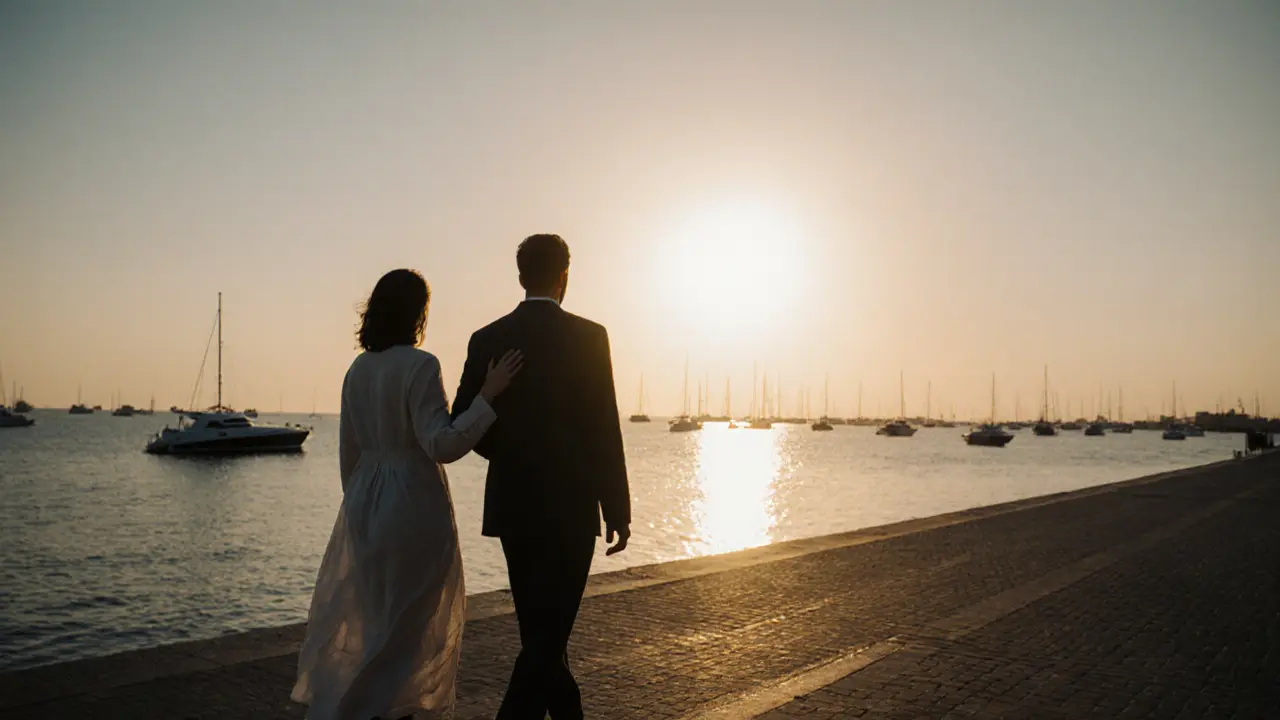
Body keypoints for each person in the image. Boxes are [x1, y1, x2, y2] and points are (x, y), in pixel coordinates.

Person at [292, 268, 522, 720]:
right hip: (413, 505)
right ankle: (372, 710)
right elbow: (442, 444)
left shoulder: (357, 370)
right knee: (410, 625)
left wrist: (360, 509)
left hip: (365, 502)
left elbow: (349, 453)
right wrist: (487, 396)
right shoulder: (421, 365)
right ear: (417, 313)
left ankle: (368, 707)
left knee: (379, 619)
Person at [452, 234, 631, 720]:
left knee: (543, 638)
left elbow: (463, 423)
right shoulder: (590, 337)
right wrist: (617, 508)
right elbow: (603, 425)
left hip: (514, 507)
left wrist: (507, 453)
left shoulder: (487, 338)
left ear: (520, 276)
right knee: (546, 643)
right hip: (572, 508)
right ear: (564, 277)